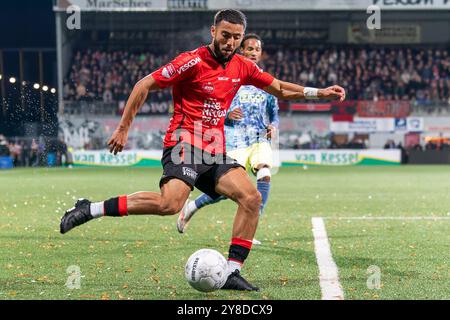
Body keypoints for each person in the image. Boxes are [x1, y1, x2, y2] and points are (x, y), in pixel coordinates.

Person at [60, 9, 346, 292]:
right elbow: (144, 84)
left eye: (236, 37)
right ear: (213, 32)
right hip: (184, 143)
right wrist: (123, 128)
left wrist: (319, 92)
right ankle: (90, 208)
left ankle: (232, 271)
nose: (230, 43)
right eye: (225, 36)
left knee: (251, 197)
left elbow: (281, 88)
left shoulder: (242, 66)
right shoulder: (191, 62)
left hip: (214, 151)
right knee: (169, 205)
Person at [176, 34, 278, 246]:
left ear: (260, 53)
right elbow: (212, 107)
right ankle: (193, 206)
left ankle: (251, 227)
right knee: (225, 191)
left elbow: (273, 111)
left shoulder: (264, 81)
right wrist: (227, 116)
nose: (252, 52)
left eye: (256, 49)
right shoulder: (232, 77)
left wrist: (273, 126)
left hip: (259, 139)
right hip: (234, 140)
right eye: (248, 48)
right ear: (241, 51)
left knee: (265, 173)